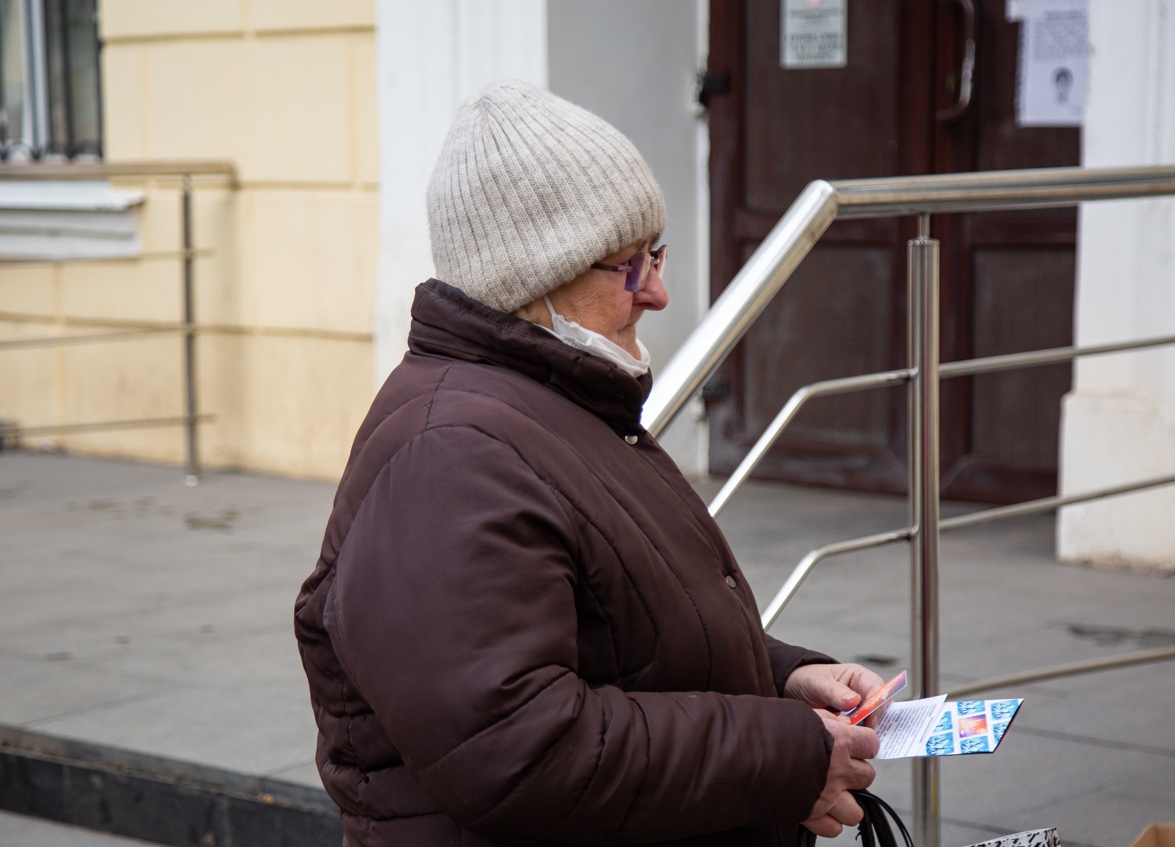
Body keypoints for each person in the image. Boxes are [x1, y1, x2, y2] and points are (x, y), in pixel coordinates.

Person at [295, 80, 883, 847]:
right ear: (531, 277)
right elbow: (519, 747)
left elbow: (615, 628)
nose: (660, 292)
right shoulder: (450, 456)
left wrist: (780, 679)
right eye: (629, 265)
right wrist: (784, 752)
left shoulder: (553, 405)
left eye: (656, 254)